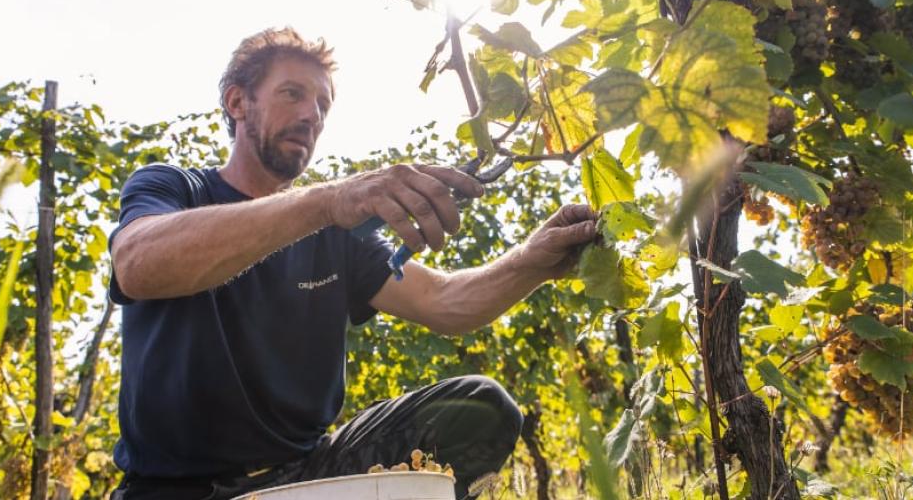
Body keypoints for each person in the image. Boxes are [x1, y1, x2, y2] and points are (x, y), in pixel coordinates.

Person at [107, 27, 599, 500]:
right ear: (238, 102)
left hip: (308, 481)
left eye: (322, 105)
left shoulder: (333, 235)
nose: (311, 115)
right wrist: (324, 201)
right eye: (293, 94)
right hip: (177, 490)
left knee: (479, 409)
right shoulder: (174, 188)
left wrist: (531, 262)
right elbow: (138, 265)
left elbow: (444, 300)